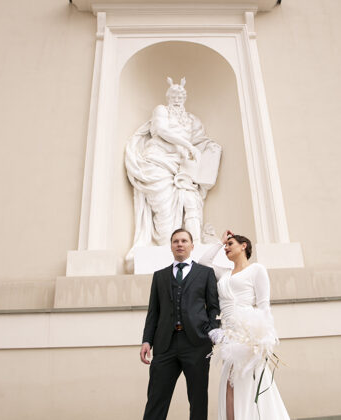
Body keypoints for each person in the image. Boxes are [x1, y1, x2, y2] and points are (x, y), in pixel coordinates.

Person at [125, 77, 222, 264]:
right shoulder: (161, 111)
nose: (177, 99)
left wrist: (210, 149)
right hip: (158, 161)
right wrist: (187, 145)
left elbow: (200, 141)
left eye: (181, 96)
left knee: (191, 202)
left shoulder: (192, 120)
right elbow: (162, 130)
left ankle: (194, 247)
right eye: (174, 96)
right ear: (168, 97)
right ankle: (164, 249)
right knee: (164, 208)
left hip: (182, 168)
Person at [199, 230, 290, 420]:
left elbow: (264, 305)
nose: (226, 248)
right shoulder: (224, 273)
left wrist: (265, 338)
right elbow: (203, 262)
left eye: (230, 244)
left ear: (243, 246)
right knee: (230, 383)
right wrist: (219, 242)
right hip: (228, 332)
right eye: (226, 245)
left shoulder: (256, 269)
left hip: (248, 333)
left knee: (245, 381)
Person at [140, 228, 220, 420]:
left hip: (197, 344)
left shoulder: (206, 273)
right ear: (171, 246)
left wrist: (211, 332)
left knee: (198, 398)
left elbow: (213, 308)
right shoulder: (159, 276)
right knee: (156, 398)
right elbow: (153, 312)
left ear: (192, 246)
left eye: (184, 241)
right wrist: (147, 340)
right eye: (176, 241)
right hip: (165, 344)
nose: (180, 244)